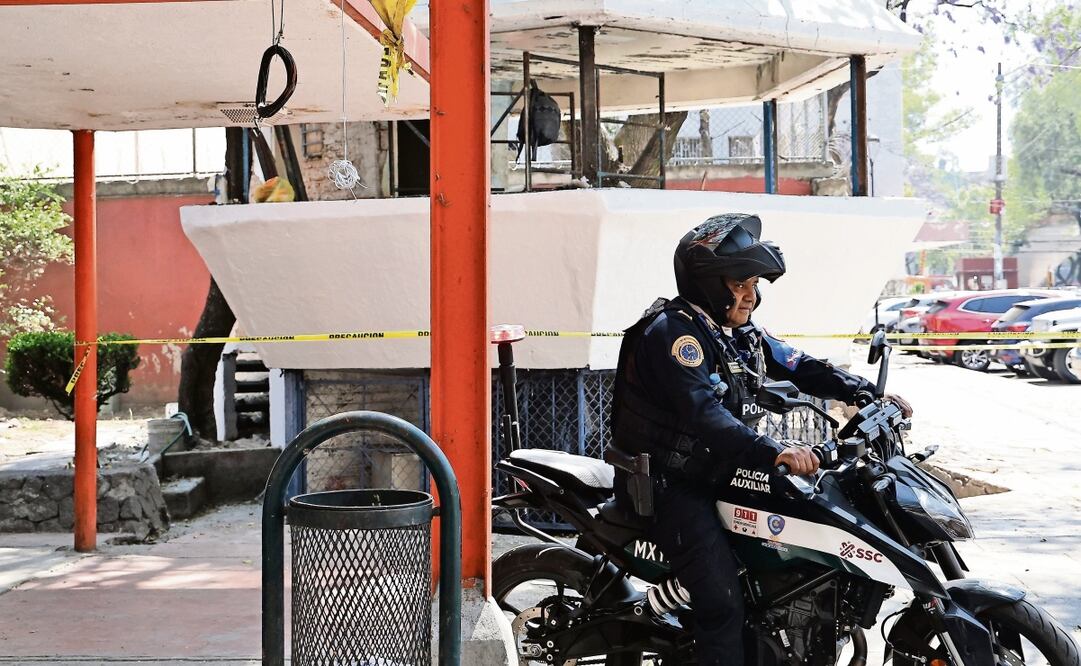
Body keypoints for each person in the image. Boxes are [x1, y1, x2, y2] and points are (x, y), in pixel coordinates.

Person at [609, 213, 912, 665]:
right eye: (740, 282)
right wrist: (778, 452)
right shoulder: (672, 334)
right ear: (708, 282)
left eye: (754, 282)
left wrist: (865, 392)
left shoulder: (736, 332)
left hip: (719, 471)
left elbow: (799, 364)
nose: (752, 294)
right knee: (722, 604)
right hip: (668, 486)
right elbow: (705, 415)